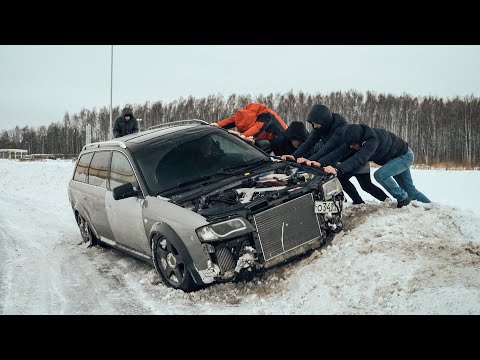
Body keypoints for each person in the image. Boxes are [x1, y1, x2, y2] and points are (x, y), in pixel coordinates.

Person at [282, 105, 389, 204]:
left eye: (316, 123)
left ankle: (386, 201)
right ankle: (358, 203)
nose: (314, 126)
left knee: (366, 185)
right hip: (338, 159)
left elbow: (328, 148)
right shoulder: (319, 128)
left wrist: (313, 161)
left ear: (324, 121)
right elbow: (309, 143)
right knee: (340, 180)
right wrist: (295, 156)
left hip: (354, 159)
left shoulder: (340, 127)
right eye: (312, 124)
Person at [321, 123, 431, 208]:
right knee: (410, 190)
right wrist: (319, 162)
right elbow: (338, 152)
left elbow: (358, 158)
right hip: (396, 158)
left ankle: (403, 199)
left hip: (404, 156)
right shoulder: (359, 138)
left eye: (354, 144)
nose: (352, 147)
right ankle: (430, 206)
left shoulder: (372, 141)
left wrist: (337, 169)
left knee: (380, 175)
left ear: (359, 139)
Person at [211, 103, 287, 141]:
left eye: (247, 129)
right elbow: (234, 119)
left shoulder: (265, 115)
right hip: (262, 138)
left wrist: (243, 136)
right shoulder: (245, 114)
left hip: (280, 138)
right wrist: (218, 125)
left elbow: (258, 127)